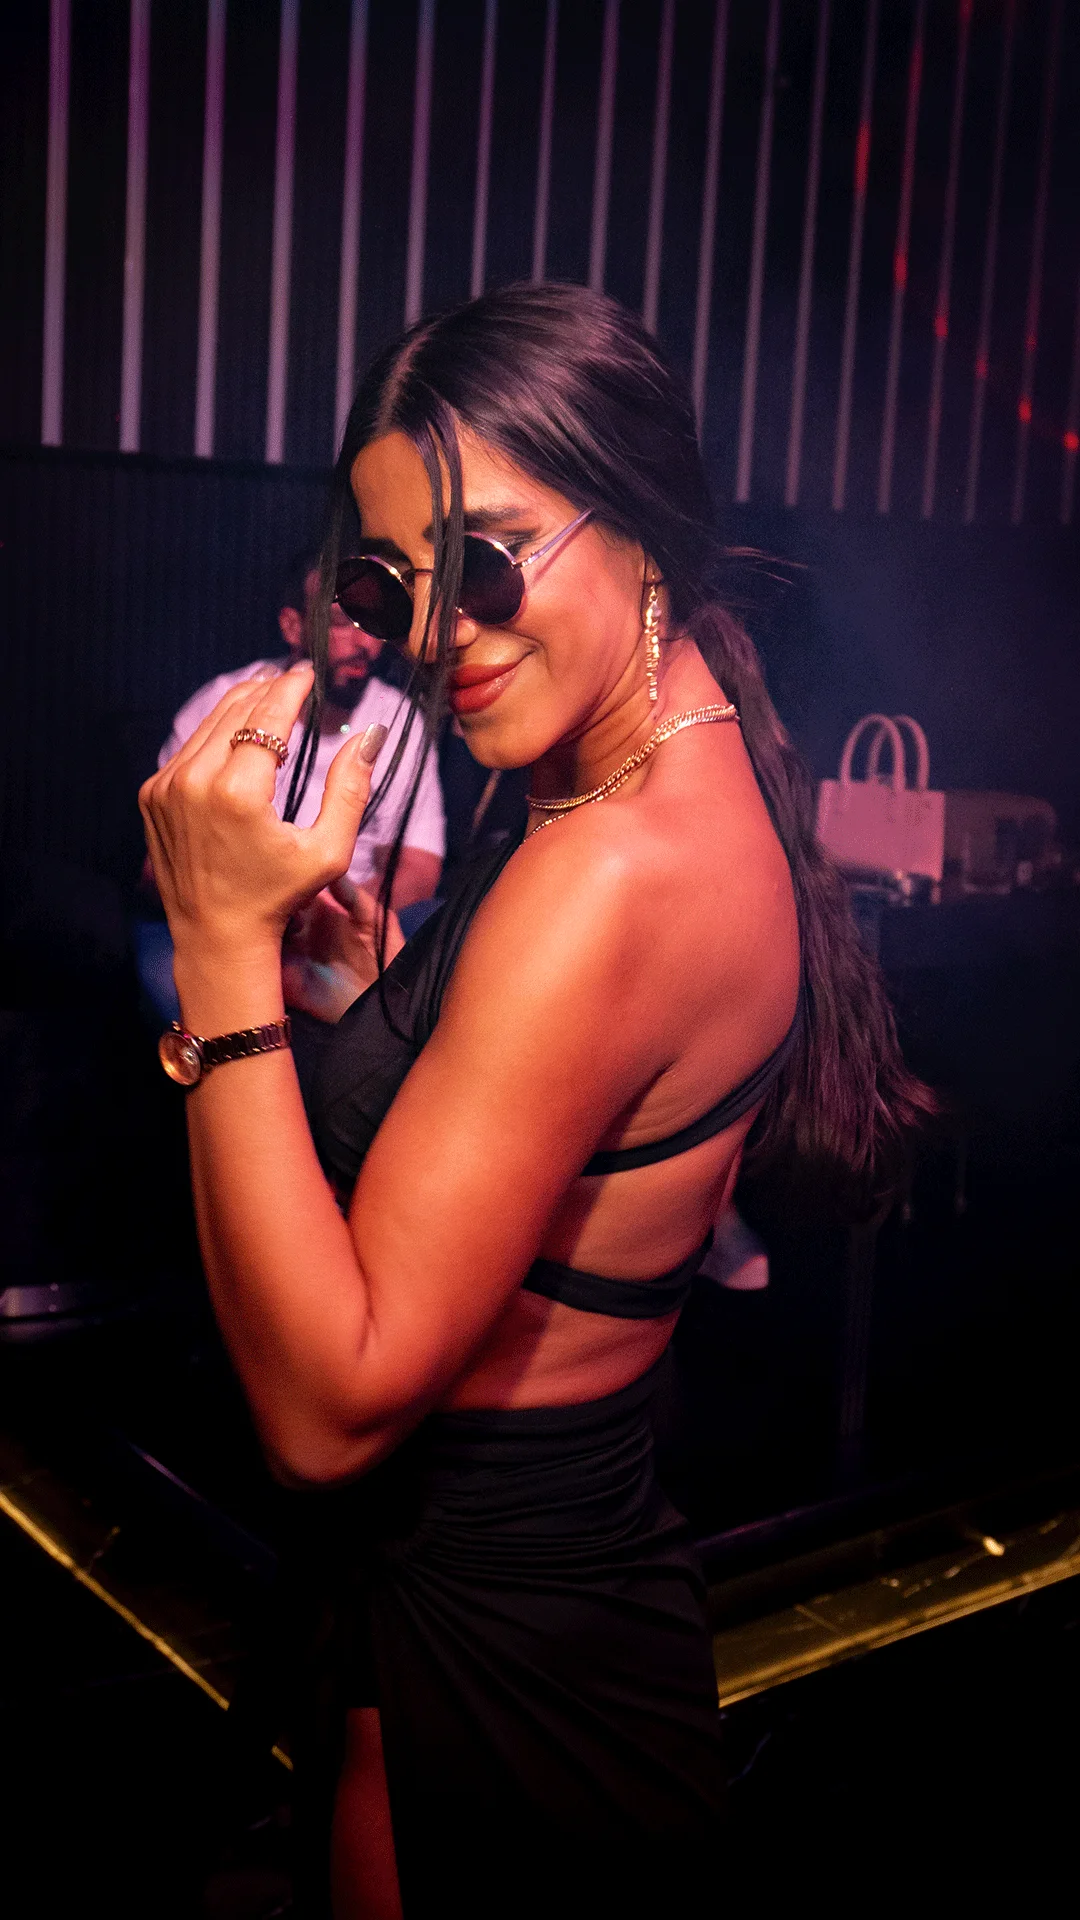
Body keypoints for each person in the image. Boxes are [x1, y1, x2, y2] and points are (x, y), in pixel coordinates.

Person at [139, 284, 932, 1917]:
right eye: (391, 582)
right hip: (522, 1584)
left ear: (639, 520)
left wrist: (219, 954)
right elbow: (568, 1100)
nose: (438, 629)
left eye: (488, 561)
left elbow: (327, 1412)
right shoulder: (655, 732)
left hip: (500, 1643)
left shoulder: (611, 869)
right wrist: (391, 1001)